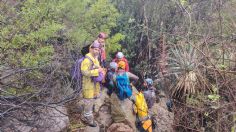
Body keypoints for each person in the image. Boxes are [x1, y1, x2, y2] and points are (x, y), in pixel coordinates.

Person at [80, 41, 105, 127]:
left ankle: (87, 114)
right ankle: (89, 120)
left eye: (98, 50)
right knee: (88, 102)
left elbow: (97, 67)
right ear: (91, 49)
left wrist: (100, 69)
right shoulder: (87, 60)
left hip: (94, 85)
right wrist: (97, 71)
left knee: (90, 101)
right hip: (88, 85)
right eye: (95, 49)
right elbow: (84, 72)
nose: (96, 51)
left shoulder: (95, 58)